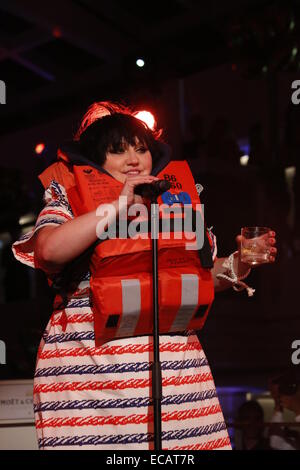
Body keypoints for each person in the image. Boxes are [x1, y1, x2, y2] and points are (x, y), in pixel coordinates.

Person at [12, 101, 277, 450]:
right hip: (91, 383)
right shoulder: (68, 198)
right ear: (95, 160)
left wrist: (241, 261)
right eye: (118, 151)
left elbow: (203, 277)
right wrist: (116, 207)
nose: (134, 159)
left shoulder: (176, 199)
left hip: (177, 384)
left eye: (141, 149)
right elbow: (48, 251)